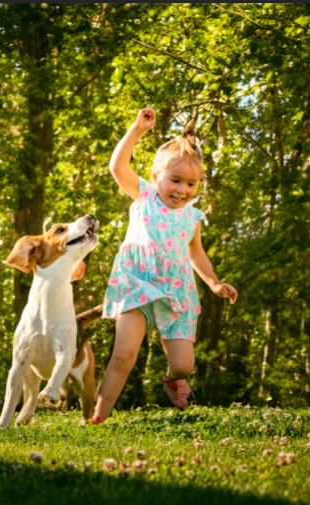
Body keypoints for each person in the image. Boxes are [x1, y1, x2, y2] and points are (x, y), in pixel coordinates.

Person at [92, 108, 238, 424]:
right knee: (124, 355)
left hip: (176, 290)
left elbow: (196, 254)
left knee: (185, 364)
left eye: (191, 184)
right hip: (137, 282)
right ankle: (98, 417)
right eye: (175, 180)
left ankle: (173, 378)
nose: (182, 190)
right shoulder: (144, 195)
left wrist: (213, 282)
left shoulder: (192, 217)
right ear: (157, 175)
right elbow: (117, 166)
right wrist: (137, 130)